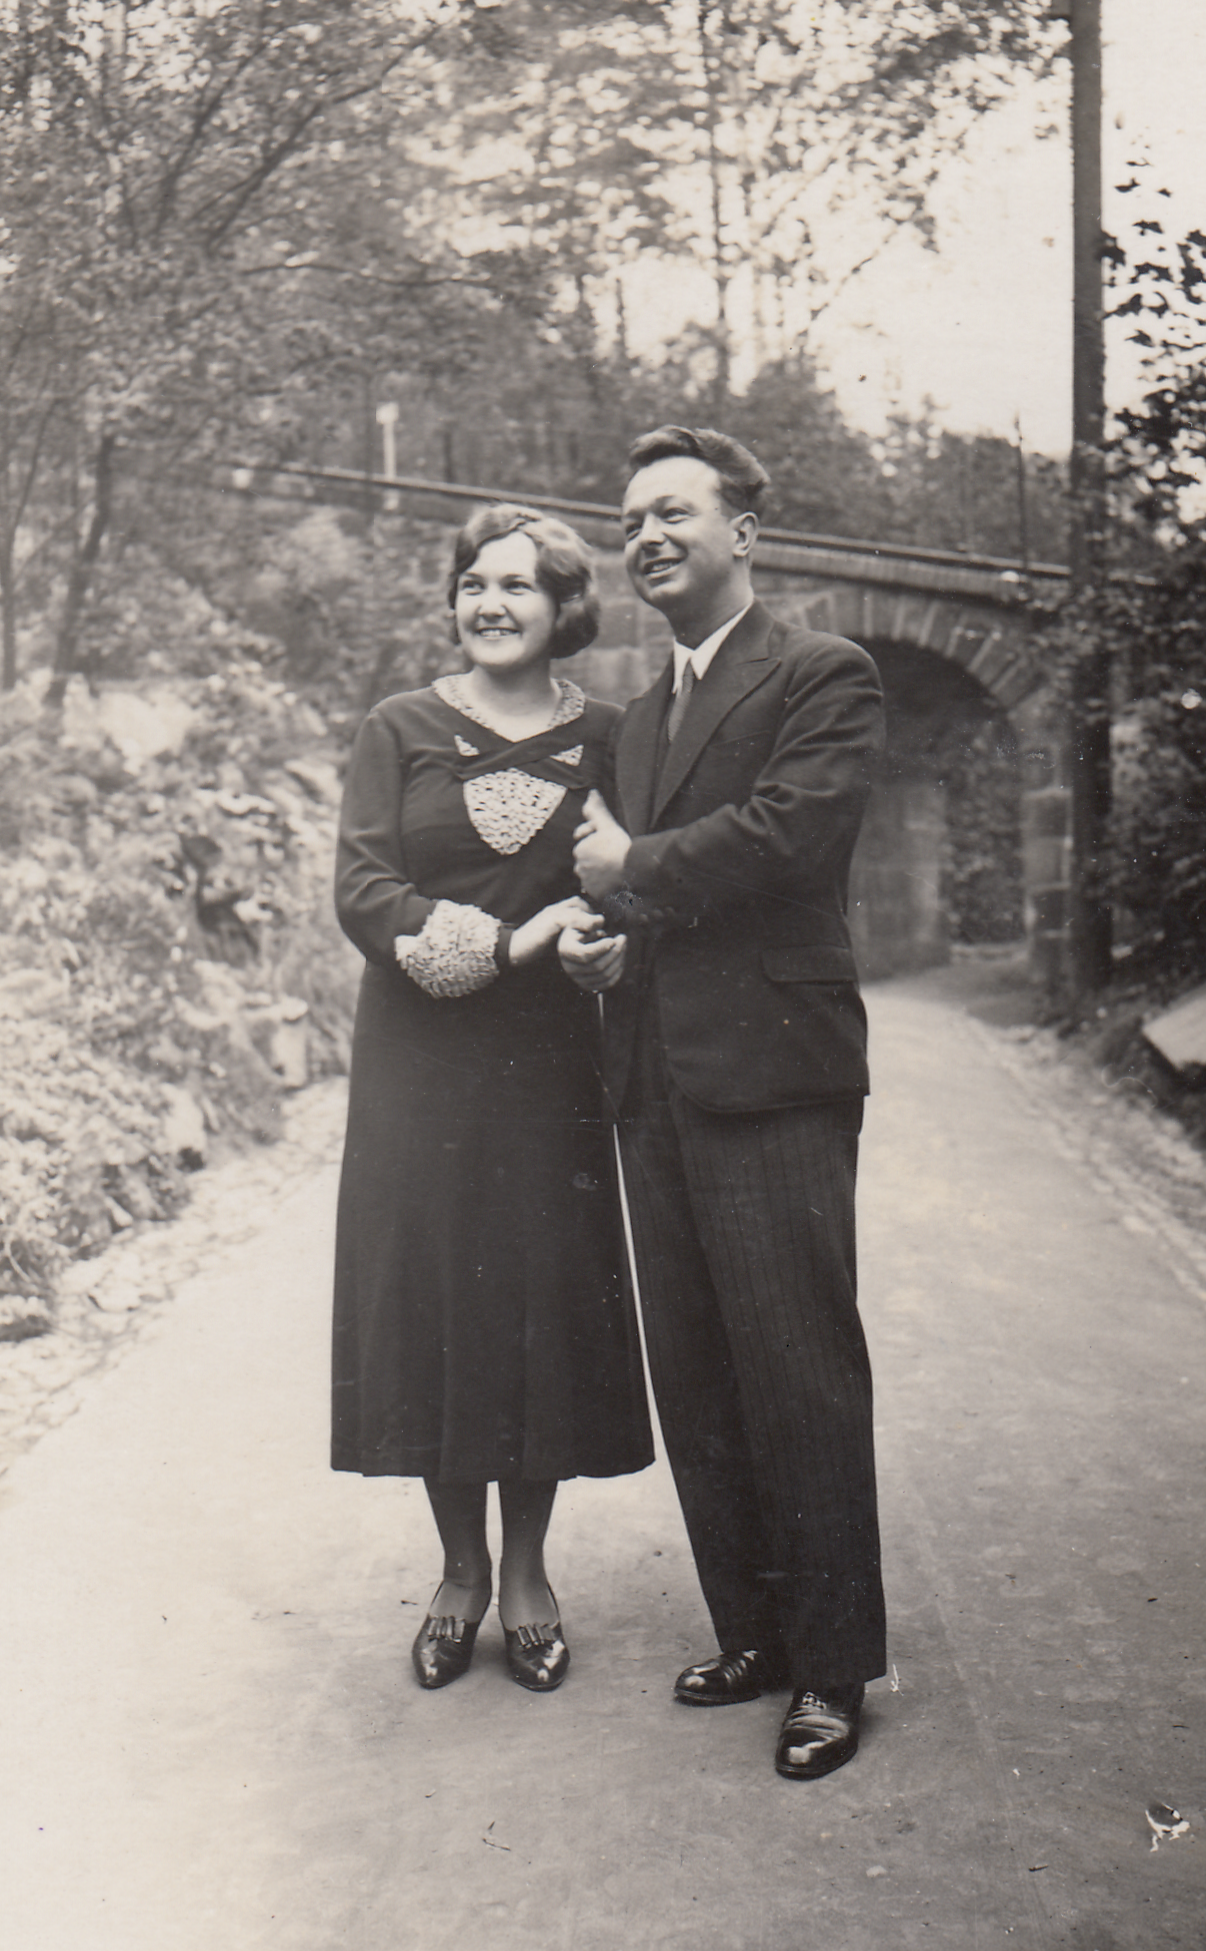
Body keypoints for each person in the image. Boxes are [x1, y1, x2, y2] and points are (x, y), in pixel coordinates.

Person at [562, 426, 887, 1780]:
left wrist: (631, 868)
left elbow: (790, 835)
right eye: (629, 519)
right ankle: (753, 1630)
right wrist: (609, 942)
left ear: (743, 532)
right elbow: (645, 894)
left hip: (774, 1072)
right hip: (655, 1074)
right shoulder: (641, 717)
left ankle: (832, 1666)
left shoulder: (822, 671)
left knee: (796, 1366)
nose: (645, 536)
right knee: (696, 1371)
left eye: (672, 512)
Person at [332, 502, 651, 1695]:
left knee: (534, 1302)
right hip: (418, 1064)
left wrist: (609, 950)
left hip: (548, 1068)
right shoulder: (399, 726)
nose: (492, 603)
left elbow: (633, 883)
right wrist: (511, 943)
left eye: (518, 584)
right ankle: (458, 1571)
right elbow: (365, 887)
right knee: (434, 1296)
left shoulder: (614, 735)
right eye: (474, 582)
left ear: (566, 607)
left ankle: (526, 1572)